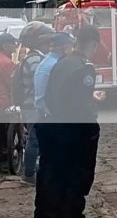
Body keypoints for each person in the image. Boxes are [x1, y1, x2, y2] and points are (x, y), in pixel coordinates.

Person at [35, 25, 105, 218]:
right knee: (75, 179)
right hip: (74, 134)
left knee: (51, 178)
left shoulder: (62, 61)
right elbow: (81, 107)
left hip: (53, 127)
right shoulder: (84, 67)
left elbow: (58, 94)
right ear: (94, 44)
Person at [17, 21, 54, 186]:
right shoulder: (36, 60)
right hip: (33, 105)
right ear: (39, 42)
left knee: (34, 138)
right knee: (34, 139)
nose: (49, 45)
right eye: (47, 42)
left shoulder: (32, 58)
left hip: (29, 104)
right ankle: (29, 173)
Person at [34, 32, 75, 117]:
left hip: (43, 113)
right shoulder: (57, 64)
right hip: (51, 115)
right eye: (71, 46)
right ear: (65, 47)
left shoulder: (45, 62)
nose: (72, 50)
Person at [0, 33, 17, 113]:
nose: (15, 45)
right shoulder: (7, 63)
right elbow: (12, 85)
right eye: (13, 43)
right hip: (3, 103)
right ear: (5, 46)